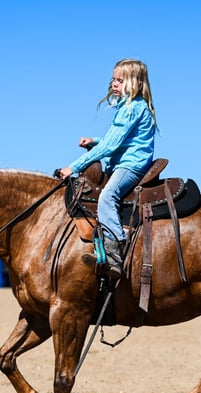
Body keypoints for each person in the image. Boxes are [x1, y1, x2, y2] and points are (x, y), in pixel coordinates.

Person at [59, 58, 157, 279]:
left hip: (131, 164)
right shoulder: (126, 107)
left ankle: (115, 254)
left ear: (135, 82)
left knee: (107, 196)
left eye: (121, 80)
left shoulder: (132, 108)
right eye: (114, 79)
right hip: (123, 160)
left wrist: (73, 167)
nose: (114, 84)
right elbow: (115, 140)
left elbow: (112, 145)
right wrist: (94, 141)